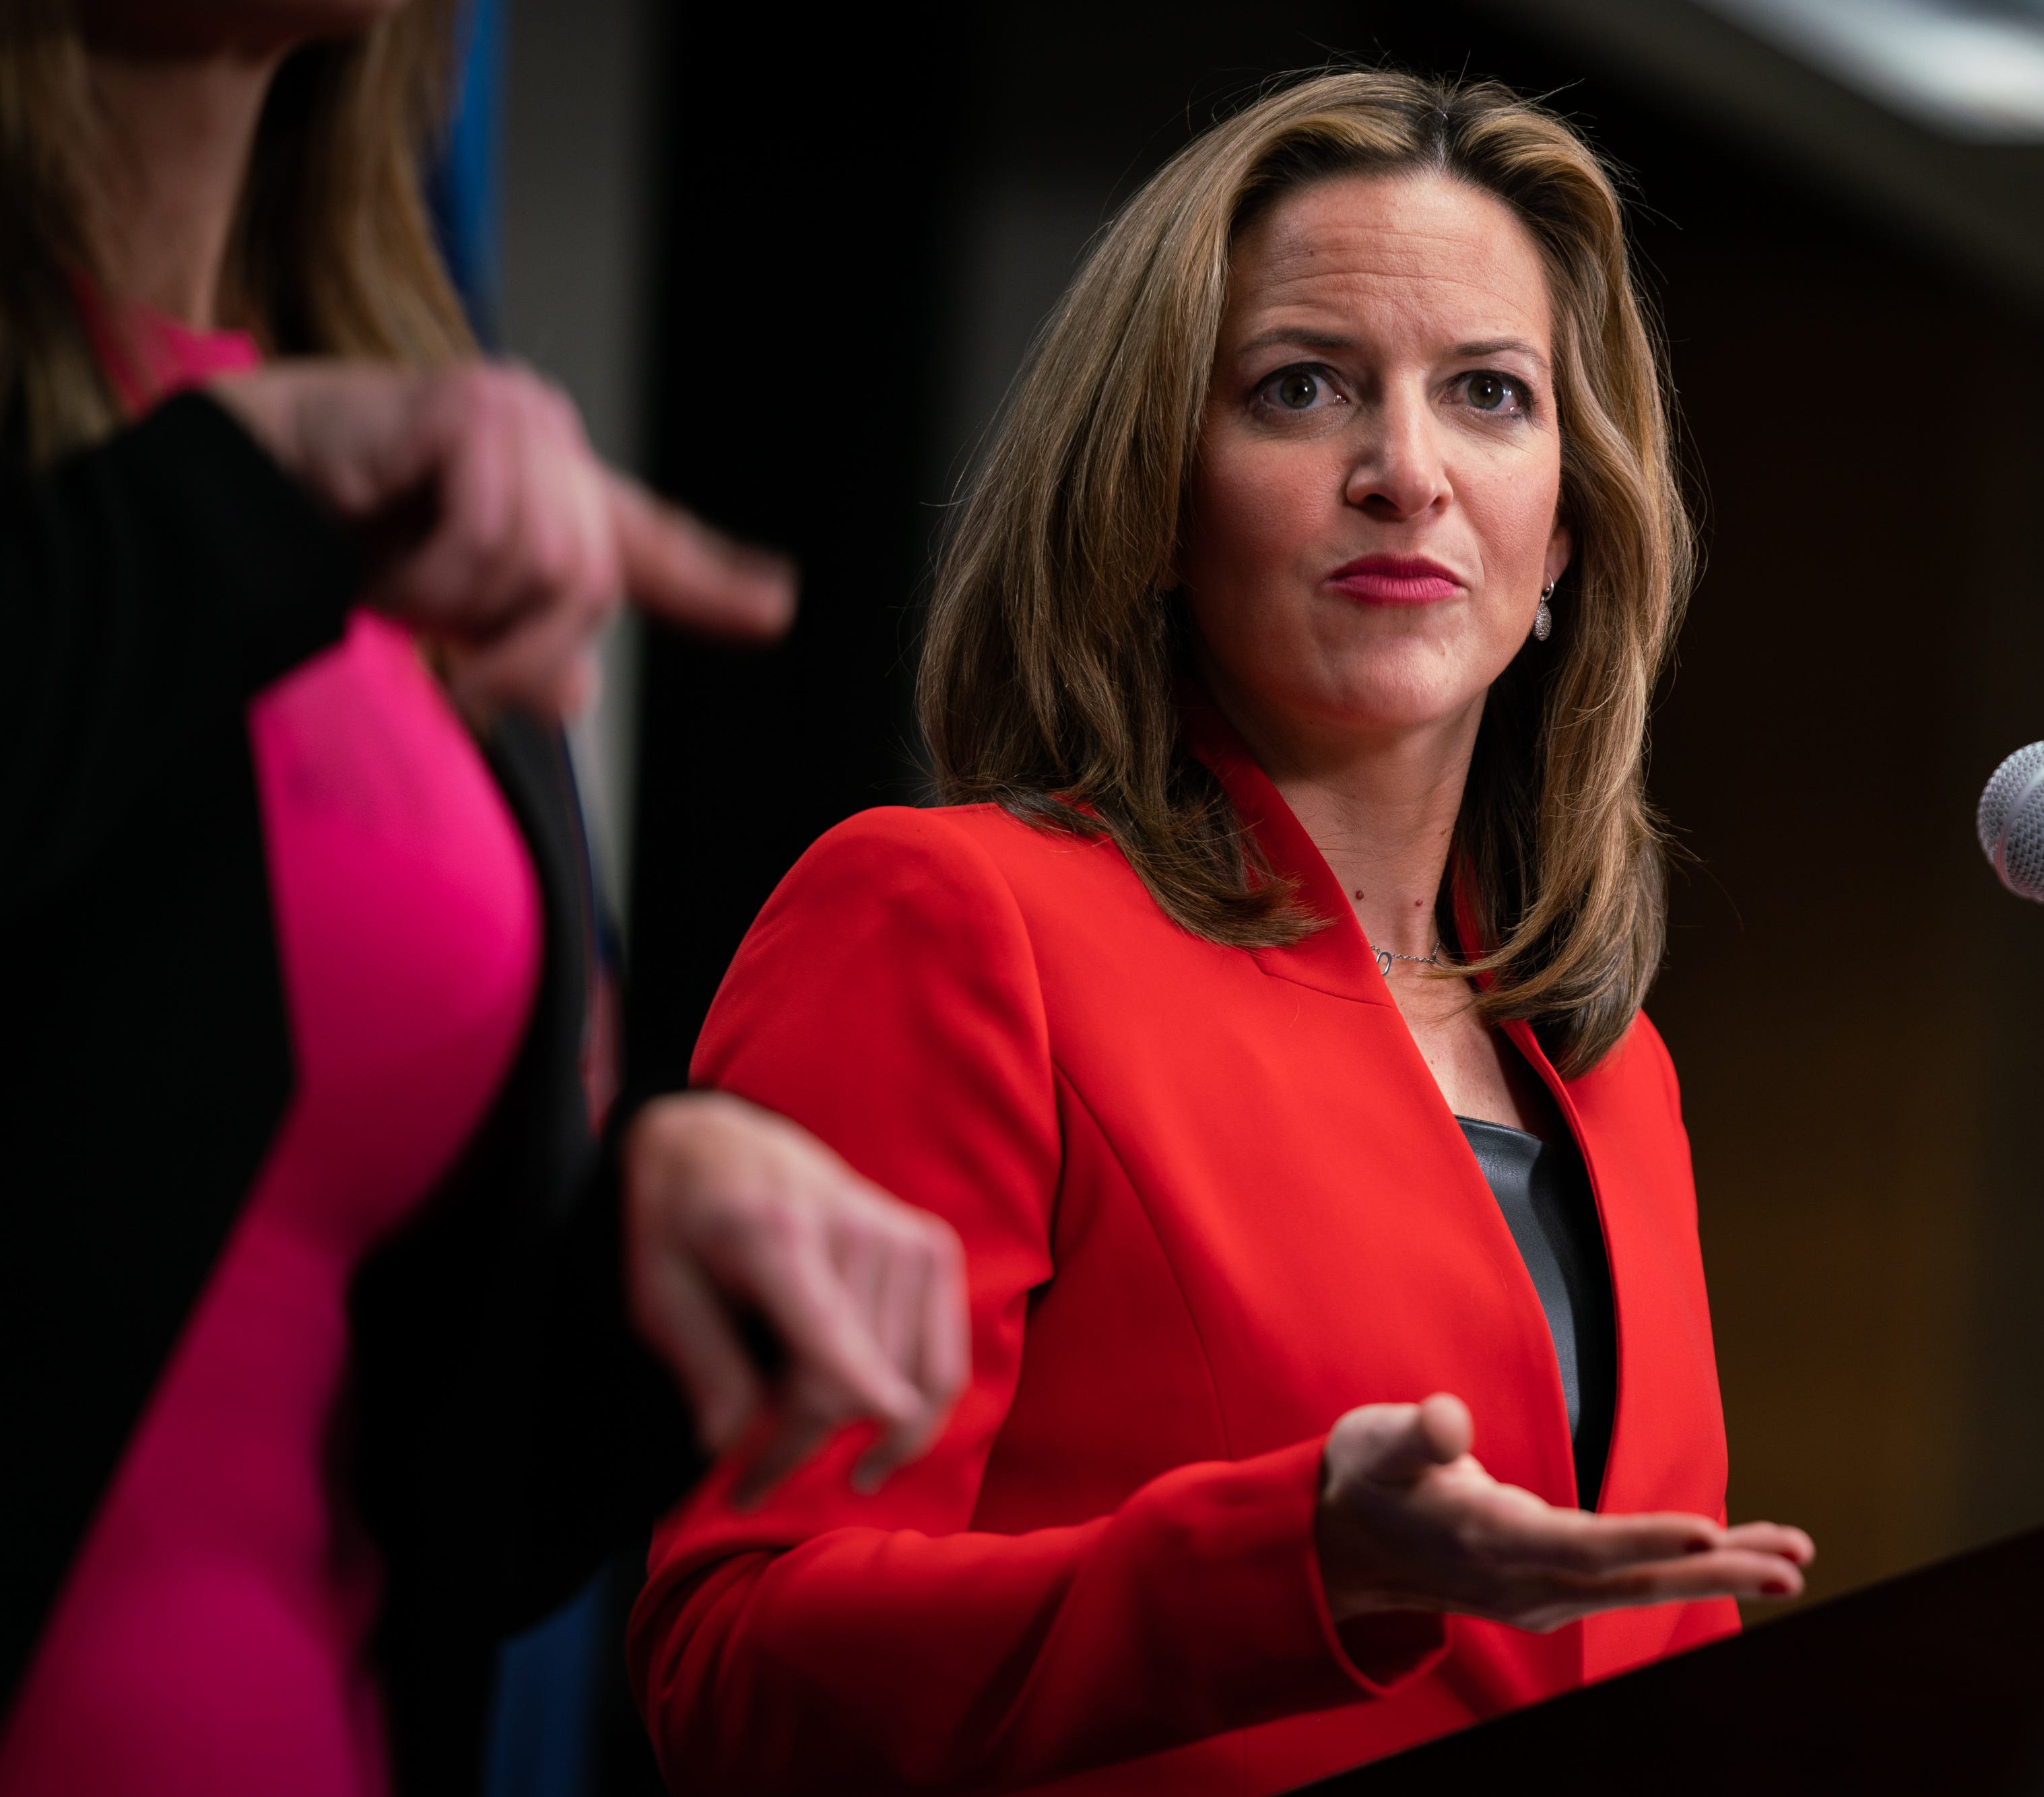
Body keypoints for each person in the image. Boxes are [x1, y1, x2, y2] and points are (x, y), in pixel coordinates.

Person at [633, 69, 1815, 1795]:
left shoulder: (1612, 1067)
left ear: (1566, 524)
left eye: (1488, 394)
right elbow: (733, 1674)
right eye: (1300, 387)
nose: (1403, 472)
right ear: (1156, 501)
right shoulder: (955, 922)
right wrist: (1292, 1569)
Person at [0, 4, 966, 1794]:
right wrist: (234, 494)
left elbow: (448, 1484)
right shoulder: (274, 481)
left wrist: (640, 1250)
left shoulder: (415, 468)